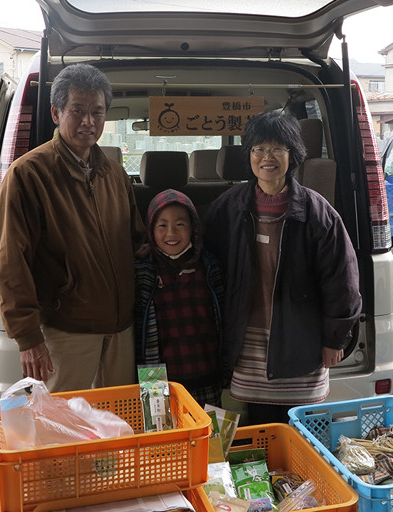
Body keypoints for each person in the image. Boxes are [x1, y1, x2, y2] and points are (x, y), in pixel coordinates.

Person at [203, 110, 362, 425]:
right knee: (248, 431)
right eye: (258, 149)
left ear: (293, 153)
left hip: (300, 344)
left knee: (297, 432)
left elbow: (341, 280)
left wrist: (335, 339)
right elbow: (208, 269)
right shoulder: (228, 208)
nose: (267, 157)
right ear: (248, 155)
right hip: (243, 342)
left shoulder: (319, 213)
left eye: (277, 148)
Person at [0, 63, 144, 393]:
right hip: (66, 331)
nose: (89, 121)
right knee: (64, 430)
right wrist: (28, 337)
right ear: (56, 113)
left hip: (120, 329)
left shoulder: (115, 174)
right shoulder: (28, 175)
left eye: (97, 111)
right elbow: (10, 261)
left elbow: (136, 241)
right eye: (78, 110)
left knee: (117, 427)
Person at [134, 189, 224, 407]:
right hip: (154, 378)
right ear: (150, 230)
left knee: (210, 437)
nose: (171, 233)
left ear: (193, 228)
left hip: (207, 370)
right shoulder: (142, 271)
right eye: (161, 225)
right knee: (163, 438)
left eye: (180, 225)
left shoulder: (210, 266)